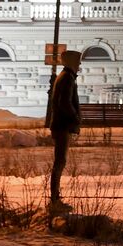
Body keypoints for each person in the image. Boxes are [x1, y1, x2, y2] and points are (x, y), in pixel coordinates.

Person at [45, 49, 82, 213]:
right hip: (62, 126)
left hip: (61, 125)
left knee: (60, 162)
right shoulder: (67, 78)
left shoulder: (66, 77)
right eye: (78, 61)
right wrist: (75, 118)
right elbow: (64, 103)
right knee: (60, 162)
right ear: (71, 62)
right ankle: (54, 199)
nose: (80, 64)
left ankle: (55, 198)